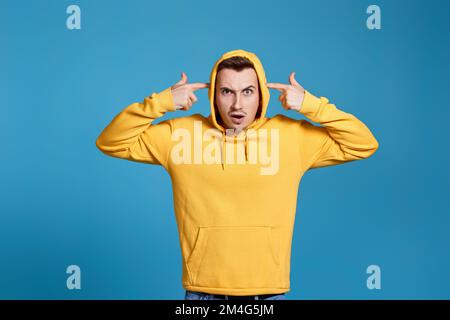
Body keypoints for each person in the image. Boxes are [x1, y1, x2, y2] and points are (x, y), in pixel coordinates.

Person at [96, 49, 379, 300]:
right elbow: (110, 142)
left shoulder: (291, 137)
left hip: (268, 293)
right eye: (227, 92)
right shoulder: (181, 136)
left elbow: (363, 143)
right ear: (213, 95)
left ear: (261, 95)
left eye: (247, 91)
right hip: (203, 292)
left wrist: (311, 105)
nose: (237, 105)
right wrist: (160, 103)